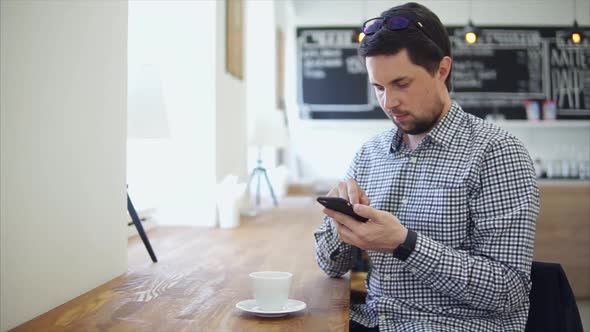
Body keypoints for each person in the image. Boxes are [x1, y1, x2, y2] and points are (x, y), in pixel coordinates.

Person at [313, 2, 540, 332]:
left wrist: (404, 243)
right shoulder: (370, 154)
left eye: (402, 84)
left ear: (442, 70)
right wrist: (340, 223)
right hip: (373, 321)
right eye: (379, 87)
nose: (388, 103)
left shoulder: (497, 153)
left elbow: (508, 290)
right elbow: (330, 266)